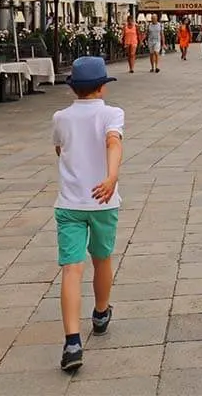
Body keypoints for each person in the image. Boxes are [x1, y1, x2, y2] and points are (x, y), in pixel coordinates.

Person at [52, 57, 124, 372]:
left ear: (74, 89)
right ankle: (100, 311)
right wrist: (110, 178)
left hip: (69, 203)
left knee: (71, 269)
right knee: (102, 258)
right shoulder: (112, 113)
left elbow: (59, 149)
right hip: (103, 202)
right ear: (102, 85)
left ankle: (71, 341)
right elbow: (113, 142)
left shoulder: (61, 117)